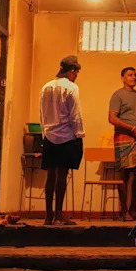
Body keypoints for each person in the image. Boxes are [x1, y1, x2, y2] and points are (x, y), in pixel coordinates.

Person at [39, 55, 85, 226]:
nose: (77, 75)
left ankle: (48, 216)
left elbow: (41, 113)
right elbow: (75, 116)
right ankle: (59, 214)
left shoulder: (46, 87)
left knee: (50, 176)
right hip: (66, 136)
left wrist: (45, 132)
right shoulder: (72, 88)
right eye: (77, 72)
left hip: (49, 136)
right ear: (72, 71)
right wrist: (79, 135)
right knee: (62, 176)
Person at [108, 66, 136, 221]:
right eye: (130, 75)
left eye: (135, 75)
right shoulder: (117, 95)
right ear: (123, 78)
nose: (133, 77)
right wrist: (132, 128)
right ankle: (124, 211)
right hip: (124, 137)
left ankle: (133, 209)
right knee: (124, 174)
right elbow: (112, 118)